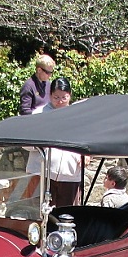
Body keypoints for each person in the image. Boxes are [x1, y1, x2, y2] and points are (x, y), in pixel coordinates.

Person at [25, 77, 84, 206]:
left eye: (64, 97)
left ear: (70, 95)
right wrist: (41, 143)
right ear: (50, 95)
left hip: (70, 174)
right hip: (42, 173)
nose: (60, 102)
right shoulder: (39, 114)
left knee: (67, 215)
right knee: (41, 213)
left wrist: (86, 154)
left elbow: (87, 138)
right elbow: (24, 143)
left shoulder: (79, 116)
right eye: (56, 97)